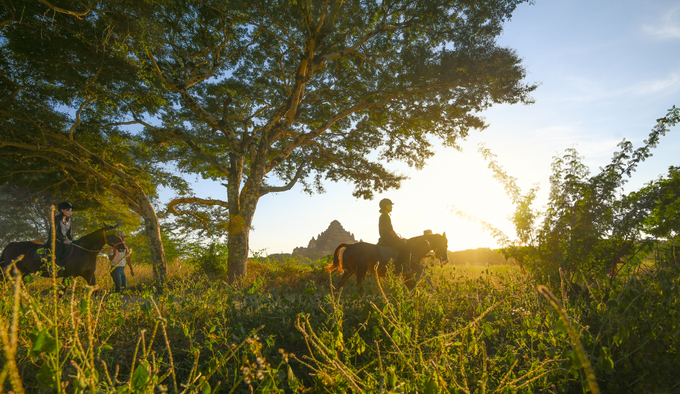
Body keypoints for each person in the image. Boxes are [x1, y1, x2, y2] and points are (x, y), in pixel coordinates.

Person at [377, 198, 410, 267]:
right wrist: (400, 239)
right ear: (386, 206)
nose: (392, 207)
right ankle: (399, 266)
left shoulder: (383, 216)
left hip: (385, 238)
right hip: (388, 238)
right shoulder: (386, 216)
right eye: (390, 205)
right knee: (406, 248)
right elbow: (391, 231)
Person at [46, 201, 75, 268]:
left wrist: (72, 241)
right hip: (54, 241)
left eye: (70, 210)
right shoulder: (56, 219)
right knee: (58, 246)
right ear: (62, 210)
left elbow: (70, 235)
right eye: (68, 210)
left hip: (63, 241)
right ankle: (52, 267)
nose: (69, 212)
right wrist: (63, 240)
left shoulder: (68, 221)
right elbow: (53, 232)